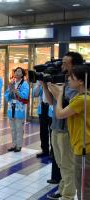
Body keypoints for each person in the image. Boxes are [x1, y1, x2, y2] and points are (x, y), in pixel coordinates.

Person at [44, 52, 84, 200]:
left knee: (67, 165)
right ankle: (63, 189)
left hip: (67, 130)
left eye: (66, 63)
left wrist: (58, 92)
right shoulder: (62, 82)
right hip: (55, 127)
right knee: (60, 164)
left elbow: (67, 107)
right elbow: (50, 102)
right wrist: (45, 84)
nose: (62, 66)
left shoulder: (76, 86)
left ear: (75, 66)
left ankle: (68, 195)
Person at [52, 64, 90, 200]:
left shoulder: (82, 99)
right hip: (81, 147)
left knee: (83, 188)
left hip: (84, 149)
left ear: (81, 81)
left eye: (72, 77)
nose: (68, 79)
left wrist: (59, 95)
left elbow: (60, 114)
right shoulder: (81, 97)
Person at [5, 67, 29, 152]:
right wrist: (9, 94)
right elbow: (6, 94)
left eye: (19, 71)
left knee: (19, 128)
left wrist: (16, 91)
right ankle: (13, 144)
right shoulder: (12, 82)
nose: (17, 72)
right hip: (11, 108)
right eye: (16, 71)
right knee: (12, 128)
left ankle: (19, 146)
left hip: (19, 108)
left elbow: (25, 95)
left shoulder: (25, 84)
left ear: (22, 74)